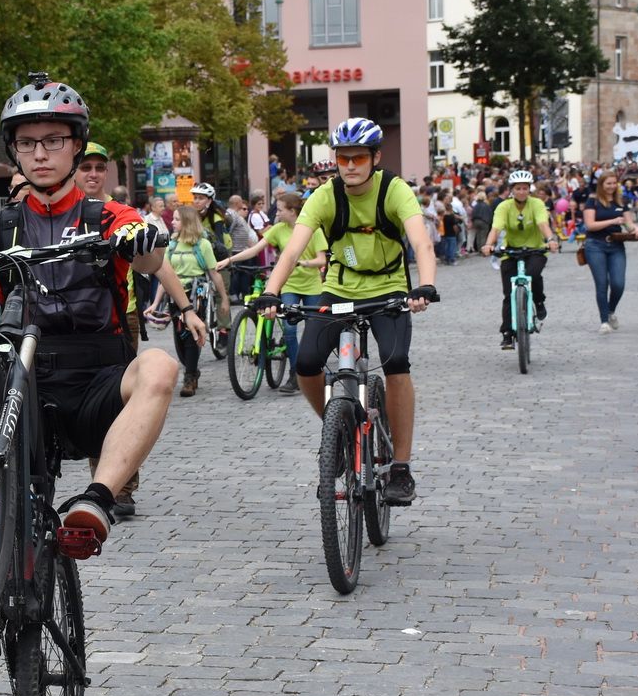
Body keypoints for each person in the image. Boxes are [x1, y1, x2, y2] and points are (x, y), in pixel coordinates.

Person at [0, 76, 183, 685]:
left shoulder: (109, 215)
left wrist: (142, 240)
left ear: (77, 148)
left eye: (53, 140)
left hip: (97, 379)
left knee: (161, 366)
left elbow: (149, 259)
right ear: (14, 153)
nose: (40, 153)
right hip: (24, 385)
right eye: (27, 144)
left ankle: (97, 502)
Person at [257, 118, 438, 505]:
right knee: (306, 361)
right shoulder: (325, 195)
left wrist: (424, 285)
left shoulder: (394, 190)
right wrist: (271, 292)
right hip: (338, 287)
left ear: (375, 157)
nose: (350, 165)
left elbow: (421, 243)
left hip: (388, 288)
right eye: (343, 158)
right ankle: (337, 429)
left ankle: (401, 467)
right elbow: (291, 251)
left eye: (358, 157)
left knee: (397, 363)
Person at [221, 190, 324, 393]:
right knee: (290, 329)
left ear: (292, 211)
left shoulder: (313, 230)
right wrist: (229, 259)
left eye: (280, 209)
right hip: (289, 284)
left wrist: (302, 262)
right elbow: (256, 249)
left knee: (314, 330)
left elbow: (322, 260)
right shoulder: (279, 229)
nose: (276, 213)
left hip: (312, 285)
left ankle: (312, 366)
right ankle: (295, 373)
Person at [481, 170, 560, 349]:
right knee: (509, 292)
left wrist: (551, 240)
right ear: (512, 189)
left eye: (525, 188)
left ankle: (539, 302)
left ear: (529, 189)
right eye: (518, 188)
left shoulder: (537, 204)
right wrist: (488, 245)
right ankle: (507, 332)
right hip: (511, 251)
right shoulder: (504, 206)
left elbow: (542, 224)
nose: (522, 192)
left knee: (533, 274)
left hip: (535, 249)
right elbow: (496, 228)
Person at [166, 204, 229, 397]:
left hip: (197, 296)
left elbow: (214, 273)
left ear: (187, 223)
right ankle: (192, 369)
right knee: (180, 339)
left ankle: (189, 377)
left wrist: (224, 299)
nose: (172, 222)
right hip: (175, 295)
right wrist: (155, 303)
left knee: (191, 336)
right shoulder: (172, 244)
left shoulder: (203, 245)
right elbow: (165, 275)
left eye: (176, 219)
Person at [581, 173, 638, 333]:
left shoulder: (621, 201)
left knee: (618, 283)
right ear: (601, 184)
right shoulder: (592, 201)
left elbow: (628, 224)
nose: (612, 186)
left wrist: (636, 230)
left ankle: (611, 310)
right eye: (608, 183)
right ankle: (604, 321)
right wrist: (612, 221)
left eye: (614, 183)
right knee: (602, 284)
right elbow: (590, 225)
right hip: (595, 245)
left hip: (616, 245)